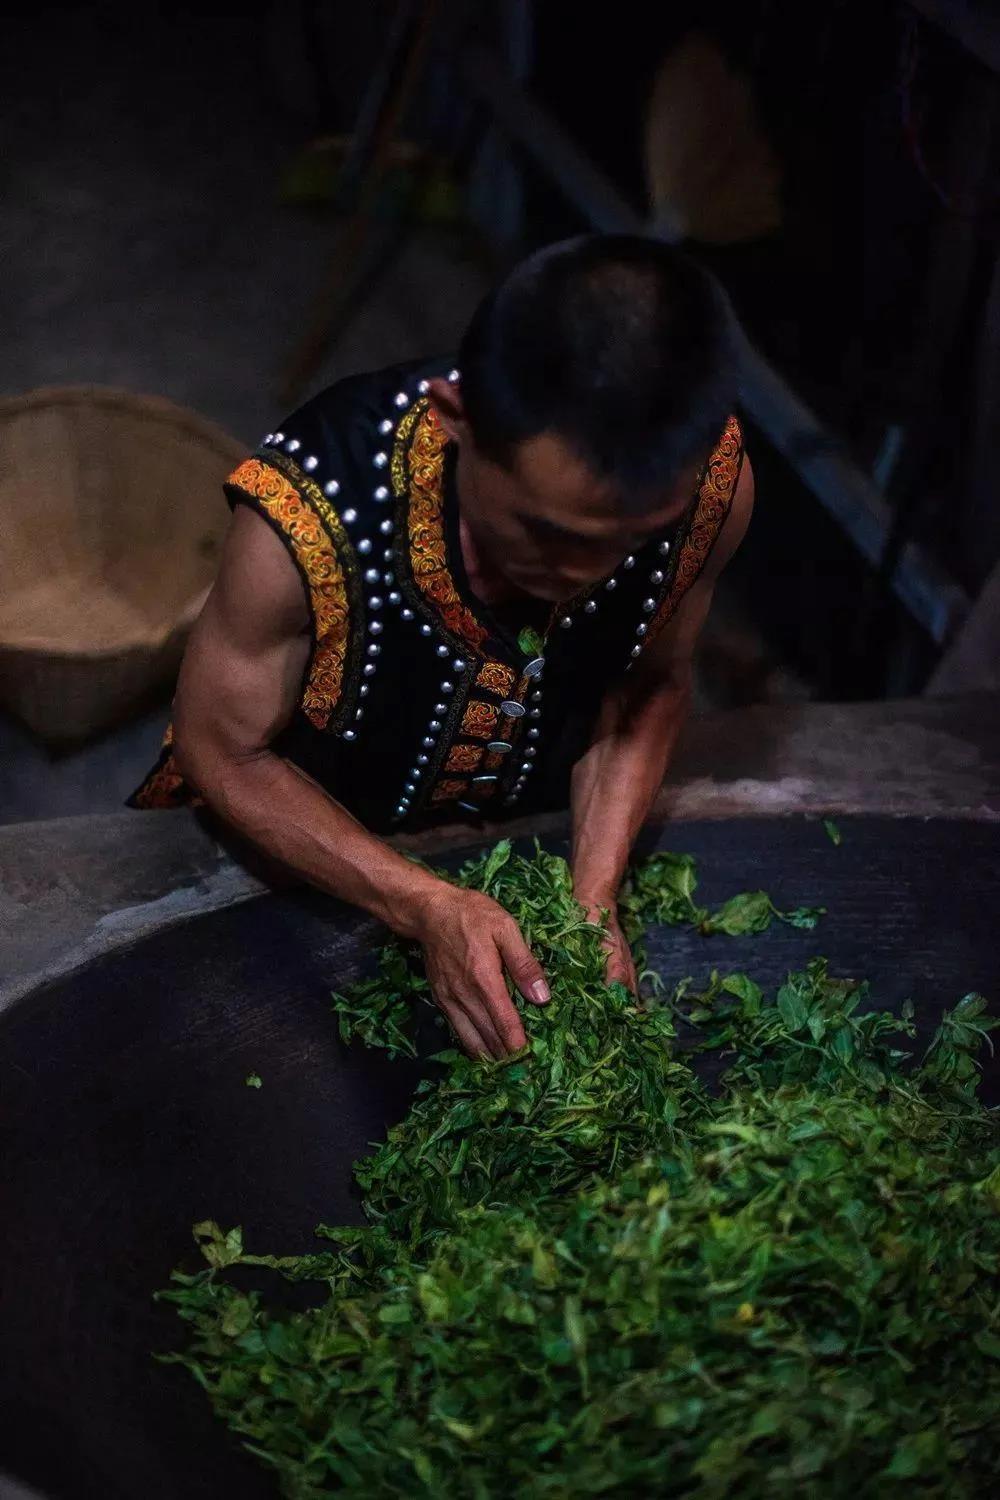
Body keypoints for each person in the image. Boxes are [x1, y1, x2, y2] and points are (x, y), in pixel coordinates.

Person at [132, 234, 753, 1059]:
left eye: (628, 541)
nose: (584, 573)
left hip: (519, 819)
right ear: (455, 421)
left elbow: (648, 684)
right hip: (307, 842)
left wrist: (592, 902)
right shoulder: (311, 512)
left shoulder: (715, 493)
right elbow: (222, 750)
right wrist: (421, 902)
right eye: (546, 534)